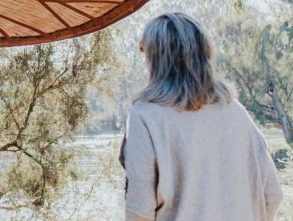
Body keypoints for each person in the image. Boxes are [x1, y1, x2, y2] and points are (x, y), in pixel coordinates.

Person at [121, 12, 282, 221]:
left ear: (155, 60)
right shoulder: (235, 112)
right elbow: (273, 195)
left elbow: (139, 211)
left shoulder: (145, 117)